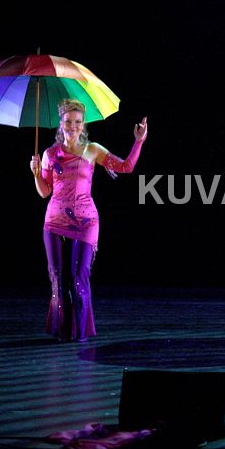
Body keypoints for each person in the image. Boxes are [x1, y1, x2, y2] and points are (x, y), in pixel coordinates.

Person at [29, 99, 148, 341]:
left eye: (77, 122)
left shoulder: (92, 150)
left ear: (83, 125)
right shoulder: (50, 154)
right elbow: (44, 192)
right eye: (68, 121)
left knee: (78, 279)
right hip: (54, 223)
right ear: (61, 124)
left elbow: (126, 167)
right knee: (58, 280)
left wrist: (139, 141)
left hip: (85, 223)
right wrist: (35, 173)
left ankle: (80, 334)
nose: (73, 126)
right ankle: (62, 331)